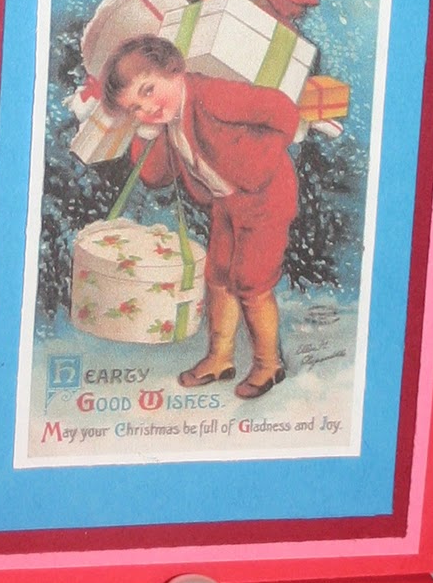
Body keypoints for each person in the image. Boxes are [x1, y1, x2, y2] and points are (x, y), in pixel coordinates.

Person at [103, 34, 299, 399]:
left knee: (252, 281)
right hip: (226, 202)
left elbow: (282, 111)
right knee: (218, 275)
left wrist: (261, 162)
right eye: (135, 108)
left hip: (264, 196)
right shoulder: (166, 122)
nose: (147, 108)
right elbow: (155, 176)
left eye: (149, 90)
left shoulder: (213, 95)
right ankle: (220, 357)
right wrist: (147, 135)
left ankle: (267, 363)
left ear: (173, 69)